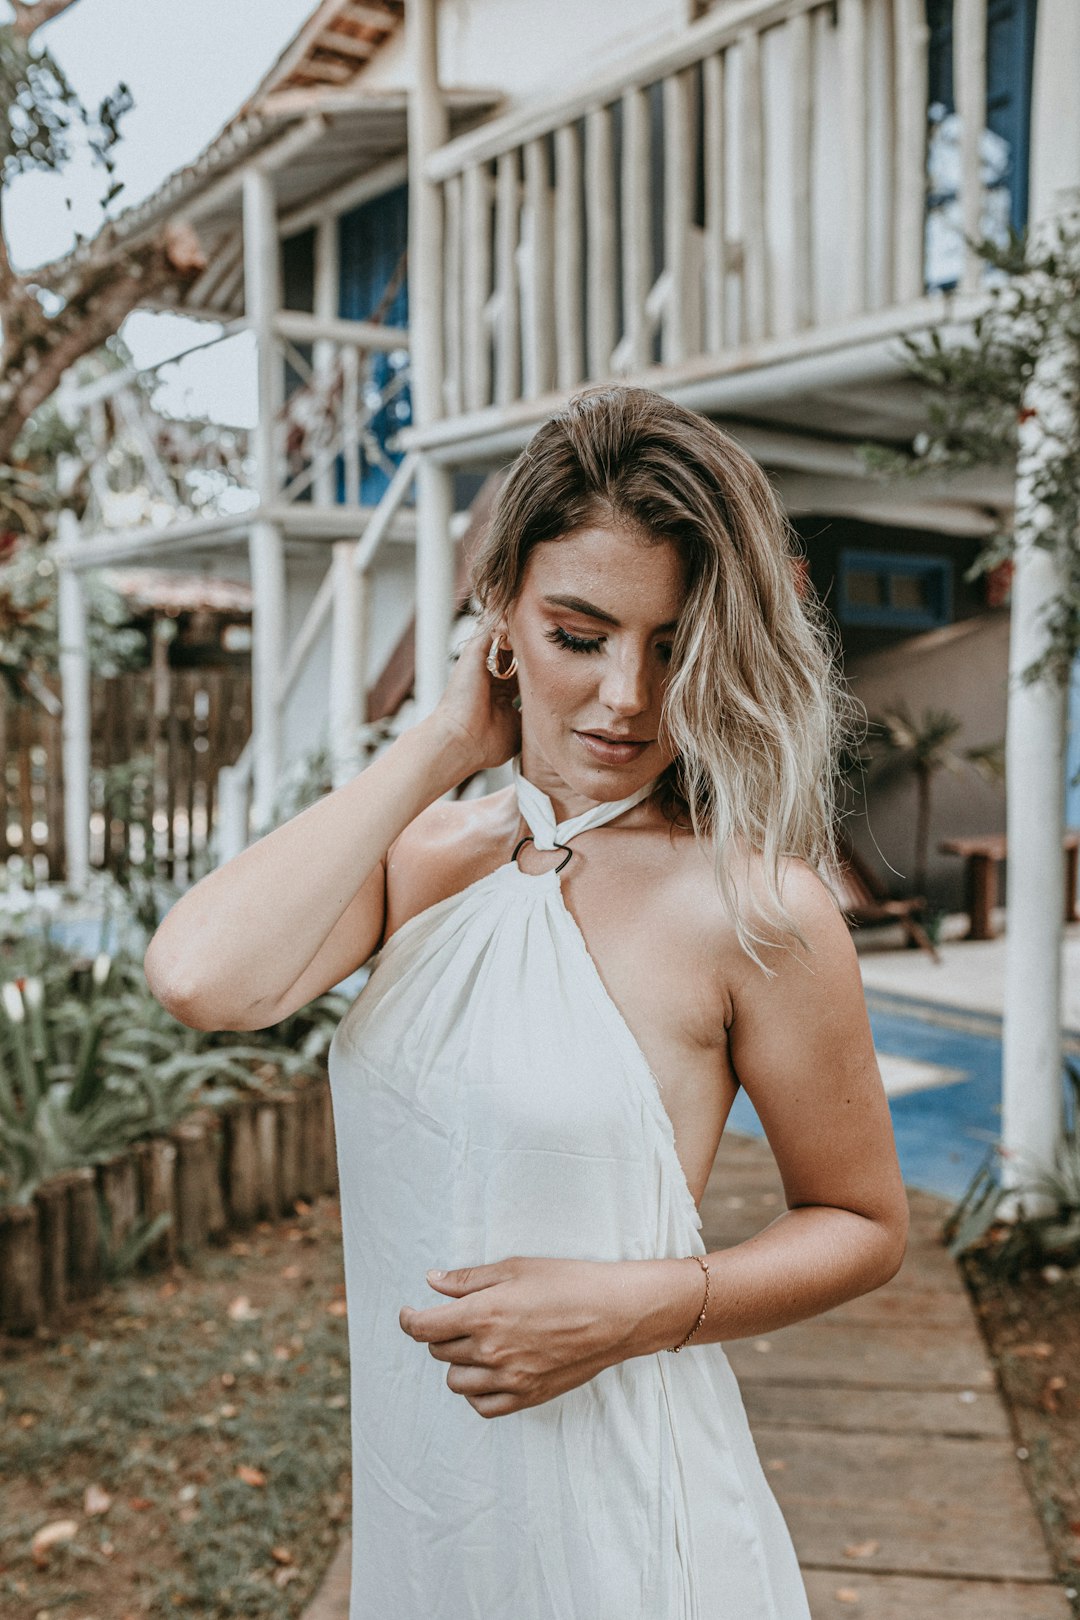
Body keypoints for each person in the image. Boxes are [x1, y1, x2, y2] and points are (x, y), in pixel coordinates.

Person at [144, 385, 909, 1619]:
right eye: (578, 633)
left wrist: (640, 1309)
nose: (627, 696)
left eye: (673, 643)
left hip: (628, 1519)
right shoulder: (429, 857)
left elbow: (864, 1221)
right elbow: (201, 978)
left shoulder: (754, 907)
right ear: (500, 615)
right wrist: (446, 743)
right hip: (429, 1507)